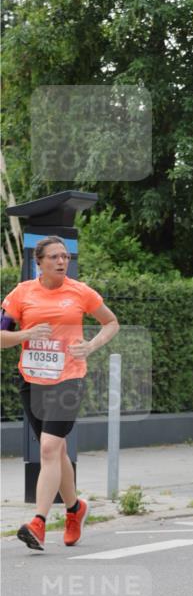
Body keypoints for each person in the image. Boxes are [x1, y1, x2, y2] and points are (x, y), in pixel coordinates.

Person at [1, 236, 119, 551]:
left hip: (69, 379)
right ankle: (74, 510)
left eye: (64, 256)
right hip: (33, 381)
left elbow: (111, 323)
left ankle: (38, 522)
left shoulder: (80, 292)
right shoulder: (21, 294)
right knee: (57, 452)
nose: (61, 262)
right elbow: (1, 335)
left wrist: (90, 346)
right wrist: (26, 333)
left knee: (50, 449)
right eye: (54, 257)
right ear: (38, 262)